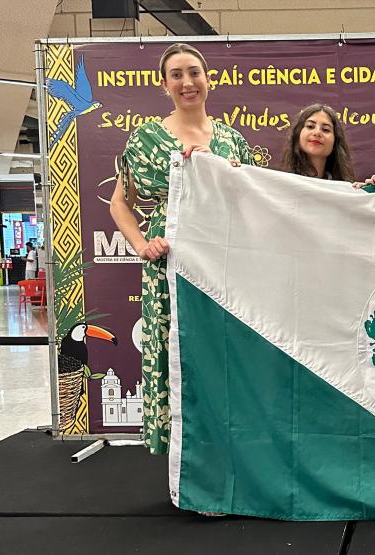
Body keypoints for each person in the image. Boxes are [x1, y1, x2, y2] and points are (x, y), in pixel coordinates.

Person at [109, 43, 254, 457]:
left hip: (221, 260)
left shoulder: (231, 140)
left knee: (219, 352)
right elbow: (121, 201)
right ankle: (186, 461)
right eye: (176, 75)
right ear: (164, 84)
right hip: (169, 262)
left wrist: (228, 173)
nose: (187, 82)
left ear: (208, 78)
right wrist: (140, 242)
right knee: (176, 351)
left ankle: (226, 452)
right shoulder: (146, 139)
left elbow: (250, 200)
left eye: (194, 72)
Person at [282, 104, 355, 181]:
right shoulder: (280, 185)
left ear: (335, 142)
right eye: (310, 126)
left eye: (325, 129)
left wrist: (368, 190)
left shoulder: (345, 189)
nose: (317, 133)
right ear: (297, 135)